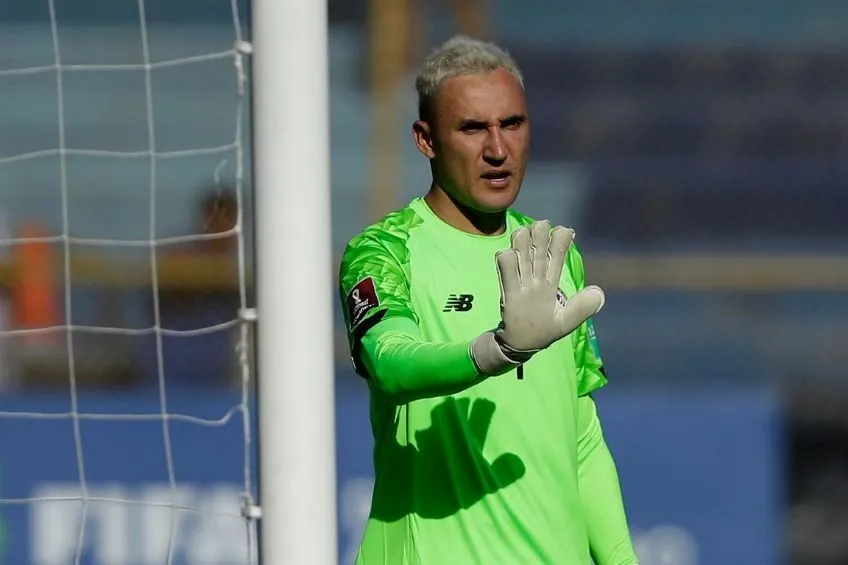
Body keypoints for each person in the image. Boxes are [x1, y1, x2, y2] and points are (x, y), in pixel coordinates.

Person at [338, 36, 638, 565]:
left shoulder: (551, 254)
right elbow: (390, 363)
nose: (498, 150)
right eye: (473, 128)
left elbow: (581, 435)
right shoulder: (384, 251)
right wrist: (497, 350)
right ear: (426, 140)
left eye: (512, 124)